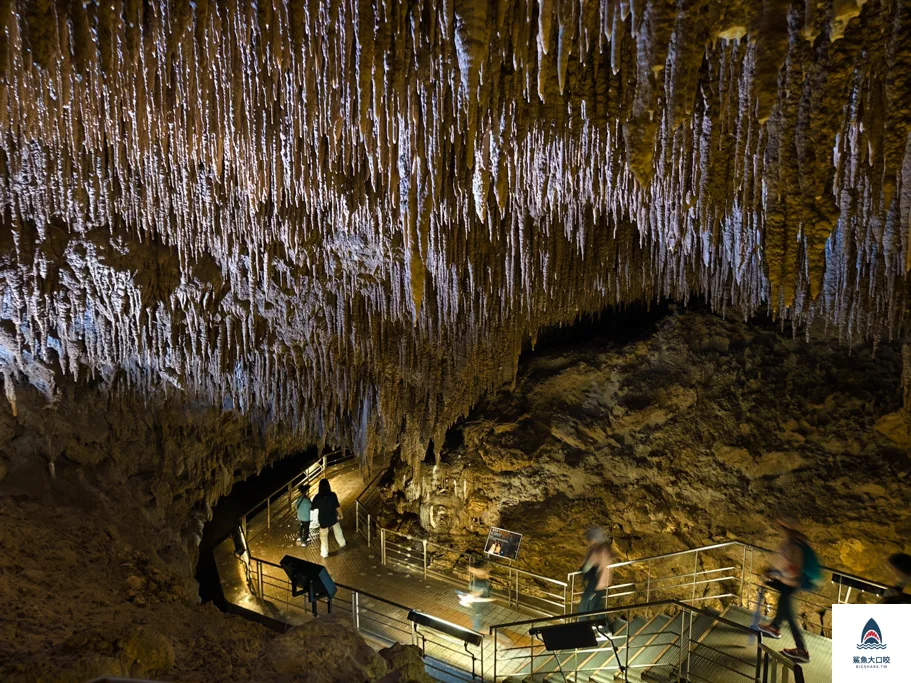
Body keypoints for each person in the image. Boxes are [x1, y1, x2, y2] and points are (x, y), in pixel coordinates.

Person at [757, 517, 811, 663]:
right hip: (787, 582)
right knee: (783, 603)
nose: (781, 529)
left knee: (790, 617)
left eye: (783, 527)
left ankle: (802, 650)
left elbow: (794, 569)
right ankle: (774, 627)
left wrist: (776, 574)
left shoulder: (795, 545)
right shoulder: (792, 543)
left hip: (790, 583)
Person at [578, 527, 613, 618]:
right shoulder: (597, 549)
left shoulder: (601, 550)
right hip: (596, 583)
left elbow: (595, 564)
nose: (589, 541)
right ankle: (604, 629)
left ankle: (583, 628)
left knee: (584, 607)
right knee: (597, 607)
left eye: (590, 538)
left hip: (596, 583)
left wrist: (584, 570)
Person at [311, 478, 346, 559]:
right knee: (338, 531)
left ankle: (324, 553)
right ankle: (342, 543)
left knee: (323, 536)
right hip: (333, 517)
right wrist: (341, 514)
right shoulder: (332, 495)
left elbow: (312, 507)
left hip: (323, 519)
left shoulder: (317, 497)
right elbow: (337, 506)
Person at [467, 556, 492, 632]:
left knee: (477, 614)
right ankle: (477, 629)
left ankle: (477, 629)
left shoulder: (479, 582)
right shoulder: (480, 582)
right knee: (476, 614)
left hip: (480, 598)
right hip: (479, 598)